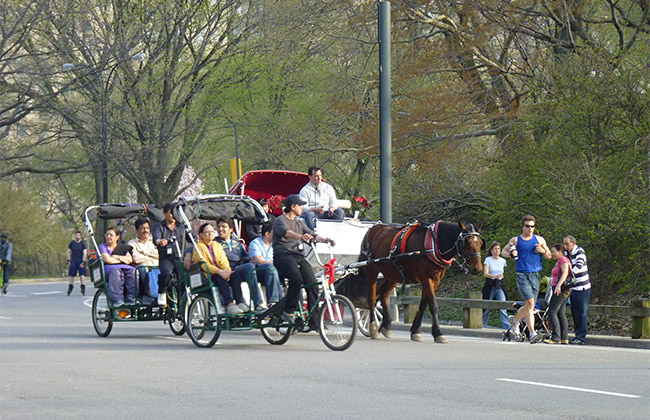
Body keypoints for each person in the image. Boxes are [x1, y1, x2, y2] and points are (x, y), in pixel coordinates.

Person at [273, 194, 334, 329]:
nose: (302, 208)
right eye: (300, 205)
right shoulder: (280, 220)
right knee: (296, 280)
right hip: (283, 256)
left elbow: (312, 233)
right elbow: (286, 232)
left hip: (298, 256)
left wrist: (326, 240)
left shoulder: (299, 222)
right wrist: (300, 236)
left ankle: (314, 320)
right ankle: (289, 311)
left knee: (312, 283)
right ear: (292, 207)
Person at [502, 215, 552, 344]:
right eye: (527, 226)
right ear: (523, 227)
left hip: (535, 274)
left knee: (529, 305)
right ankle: (532, 333)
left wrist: (542, 250)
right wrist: (512, 254)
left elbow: (549, 255)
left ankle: (515, 320)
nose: (530, 229)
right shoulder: (516, 240)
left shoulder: (539, 240)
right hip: (522, 274)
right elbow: (503, 252)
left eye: (532, 226)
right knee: (530, 303)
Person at [192, 222, 244, 315]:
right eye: (207, 232)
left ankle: (240, 302)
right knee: (220, 278)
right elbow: (203, 264)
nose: (210, 233)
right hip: (208, 274)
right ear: (201, 235)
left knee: (235, 275)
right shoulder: (198, 247)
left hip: (221, 271)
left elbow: (223, 260)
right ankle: (229, 303)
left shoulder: (217, 245)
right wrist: (219, 271)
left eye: (212, 231)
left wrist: (226, 271)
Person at [215, 218, 265, 312]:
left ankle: (272, 302)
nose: (220, 229)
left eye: (224, 226)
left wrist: (252, 262)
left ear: (230, 229)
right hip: (229, 268)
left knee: (262, 268)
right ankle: (258, 303)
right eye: (219, 227)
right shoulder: (215, 242)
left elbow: (246, 256)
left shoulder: (236, 242)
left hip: (241, 266)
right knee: (249, 268)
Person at [152, 203, 185, 307]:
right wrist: (160, 241)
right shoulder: (159, 226)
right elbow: (156, 238)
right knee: (166, 273)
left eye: (174, 213)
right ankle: (161, 291)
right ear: (165, 214)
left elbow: (191, 237)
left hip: (179, 257)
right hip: (166, 257)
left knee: (184, 279)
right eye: (170, 213)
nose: (172, 215)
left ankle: (183, 303)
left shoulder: (182, 226)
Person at [563, 235, 591, 345]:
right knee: (575, 312)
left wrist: (567, 275)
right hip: (573, 287)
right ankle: (577, 335)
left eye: (567, 244)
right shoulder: (566, 254)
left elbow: (579, 266)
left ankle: (581, 337)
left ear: (573, 244)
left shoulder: (579, 252)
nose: (565, 246)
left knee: (582, 312)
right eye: (564, 244)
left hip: (582, 287)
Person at [299, 166, 345, 231]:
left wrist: (331, 209)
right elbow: (303, 207)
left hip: (327, 212)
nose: (319, 178)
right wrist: (315, 209)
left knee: (340, 212)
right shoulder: (305, 190)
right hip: (314, 213)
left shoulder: (328, 187)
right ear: (310, 177)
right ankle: (314, 235)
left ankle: (336, 231)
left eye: (320, 175)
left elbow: (334, 202)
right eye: (316, 176)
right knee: (309, 215)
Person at [99, 227, 136, 306]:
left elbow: (129, 260)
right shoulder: (103, 247)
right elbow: (107, 260)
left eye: (111, 235)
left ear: (117, 237)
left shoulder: (123, 247)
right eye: (107, 235)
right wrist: (122, 260)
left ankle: (131, 297)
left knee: (133, 273)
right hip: (110, 268)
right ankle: (117, 299)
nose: (108, 237)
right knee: (116, 271)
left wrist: (117, 257)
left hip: (126, 267)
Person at [248, 221, 283, 306]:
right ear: (267, 234)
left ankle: (291, 303)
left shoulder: (276, 244)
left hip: (274, 271)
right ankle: (273, 301)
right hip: (259, 271)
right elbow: (260, 261)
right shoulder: (255, 243)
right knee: (270, 267)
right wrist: (277, 263)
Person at [544, 244, 572, 344]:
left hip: (561, 289)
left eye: (553, 251)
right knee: (561, 313)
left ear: (560, 251)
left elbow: (565, 273)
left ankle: (555, 337)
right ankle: (564, 338)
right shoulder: (559, 261)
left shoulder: (563, 260)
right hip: (560, 288)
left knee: (552, 311)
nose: (552, 254)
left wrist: (558, 285)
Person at [128, 218, 159, 302]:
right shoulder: (132, 243)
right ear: (137, 230)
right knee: (144, 268)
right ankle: (147, 294)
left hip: (157, 267)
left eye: (147, 228)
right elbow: (136, 258)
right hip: (144, 268)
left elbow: (160, 254)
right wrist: (152, 257)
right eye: (142, 228)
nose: (145, 231)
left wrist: (145, 253)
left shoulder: (154, 240)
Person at [481, 242, 510, 330]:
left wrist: (500, 277)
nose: (497, 251)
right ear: (491, 250)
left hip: (499, 285)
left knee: (502, 305)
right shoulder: (488, 260)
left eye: (498, 249)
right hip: (490, 284)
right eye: (495, 249)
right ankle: (482, 325)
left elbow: (502, 272)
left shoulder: (503, 261)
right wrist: (494, 276)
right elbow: (486, 274)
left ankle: (507, 327)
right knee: (487, 307)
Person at [66, 231, 88, 296]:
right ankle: (70, 287)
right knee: (71, 275)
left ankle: (83, 287)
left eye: (78, 235)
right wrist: (68, 260)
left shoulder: (83, 243)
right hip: (73, 260)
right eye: (76, 235)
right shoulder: (72, 243)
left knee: (82, 274)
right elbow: (68, 251)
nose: (77, 236)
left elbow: (85, 253)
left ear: (80, 236)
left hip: (80, 260)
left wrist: (83, 262)